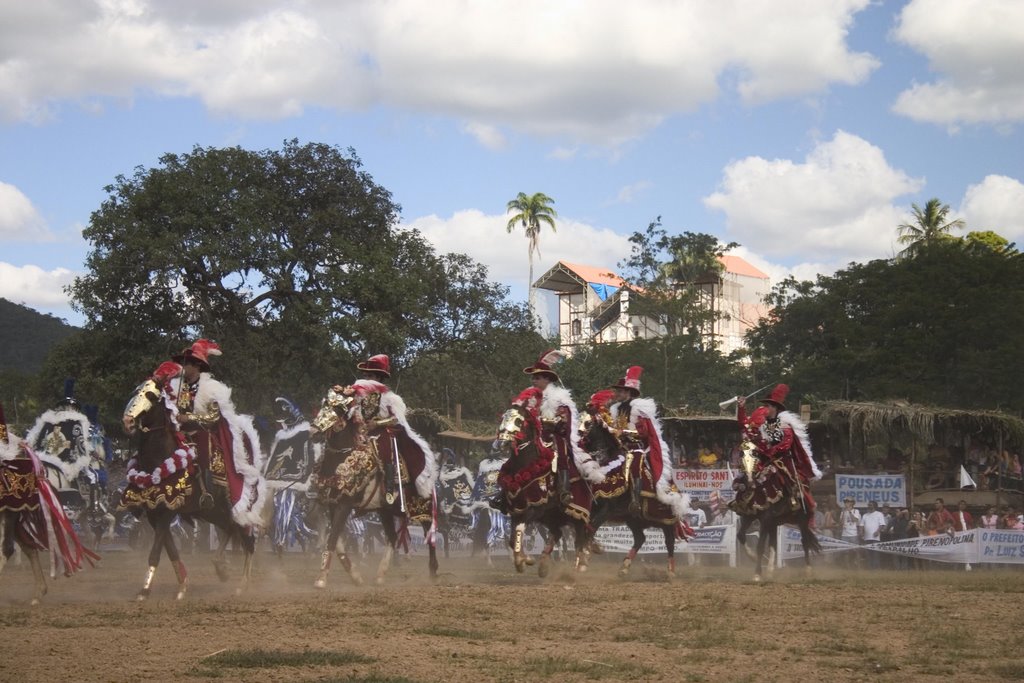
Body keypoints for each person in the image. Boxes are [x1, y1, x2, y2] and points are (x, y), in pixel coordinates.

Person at [170, 339, 265, 526]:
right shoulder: (176, 388)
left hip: (203, 434)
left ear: (197, 366)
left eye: (187, 363)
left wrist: (189, 418)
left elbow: (213, 418)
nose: (183, 367)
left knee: (205, 455)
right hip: (179, 434)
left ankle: (208, 492)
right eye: (182, 363)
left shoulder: (212, 390)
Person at [509, 350, 603, 521]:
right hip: (533, 436)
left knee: (561, 452)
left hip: (552, 435)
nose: (534, 381)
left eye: (537, 377)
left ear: (547, 379)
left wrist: (549, 422)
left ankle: (565, 489)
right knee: (513, 456)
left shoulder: (560, 399)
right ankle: (506, 494)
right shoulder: (527, 397)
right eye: (533, 378)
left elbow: (563, 421)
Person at [347, 354, 438, 508]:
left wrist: (377, 423)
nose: (366, 378)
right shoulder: (358, 397)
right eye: (365, 375)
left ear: (378, 377)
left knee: (383, 448)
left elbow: (397, 420)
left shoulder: (391, 399)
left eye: (369, 375)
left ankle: (389, 487)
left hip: (383, 433)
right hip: (363, 433)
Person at [607, 366, 689, 521]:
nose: (617, 394)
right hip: (619, 447)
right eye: (617, 391)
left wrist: (624, 433)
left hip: (636, 447)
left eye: (620, 391)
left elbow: (644, 433)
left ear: (628, 392)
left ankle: (636, 500)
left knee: (635, 462)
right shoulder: (615, 410)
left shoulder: (638, 409)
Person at [858, 501, 886, 570]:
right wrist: (861, 532)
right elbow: (861, 525)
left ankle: (876, 569)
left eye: (870, 505)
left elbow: (882, 525)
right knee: (868, 554)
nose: (869, 506)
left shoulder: (879, 514)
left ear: (874, 506)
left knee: (875, 554)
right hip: (867, 538)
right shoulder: (865, 515)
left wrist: (877, 531)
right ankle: (870, 568)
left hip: (875, 538)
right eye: (868, 505)